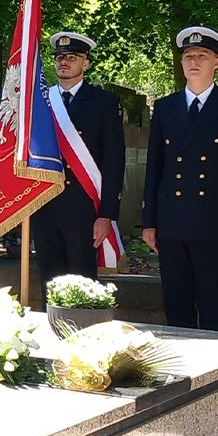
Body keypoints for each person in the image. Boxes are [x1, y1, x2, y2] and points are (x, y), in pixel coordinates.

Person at [142, 26, 218, 331]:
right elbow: (155, 166)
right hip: (171, 221)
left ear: (216, 62)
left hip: (213, 223)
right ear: (181, 63)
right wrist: (149, 220)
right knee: (176, 305)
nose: (194, 61)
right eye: (188, 56)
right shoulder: (165, 107)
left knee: (212, 305)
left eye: (202, 56)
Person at [31, 31, 125, 302]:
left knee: (82, 290)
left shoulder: (104, 103)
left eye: (72, 57)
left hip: (84, 211)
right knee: (50, 288)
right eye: (60, 56)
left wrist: (107, 214)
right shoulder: (40, 101)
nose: (64, 61)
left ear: (86, 63)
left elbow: (113, 160)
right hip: (45, 208)